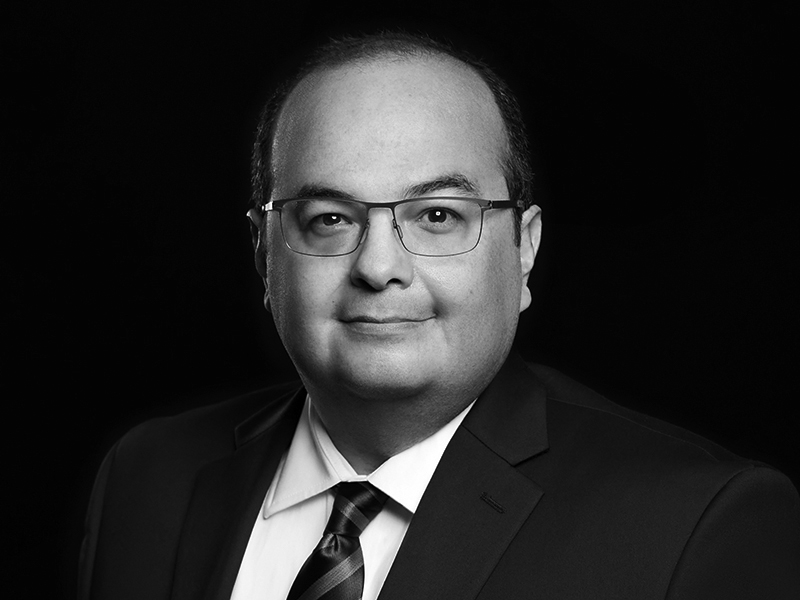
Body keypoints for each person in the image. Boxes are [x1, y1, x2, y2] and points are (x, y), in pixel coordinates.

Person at [78, 32, 800, 600]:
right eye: (330, 218)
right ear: (265, 254)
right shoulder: (147, 477)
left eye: (437, 216)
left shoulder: (694, 523)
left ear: (523, 249)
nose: (379, 266)